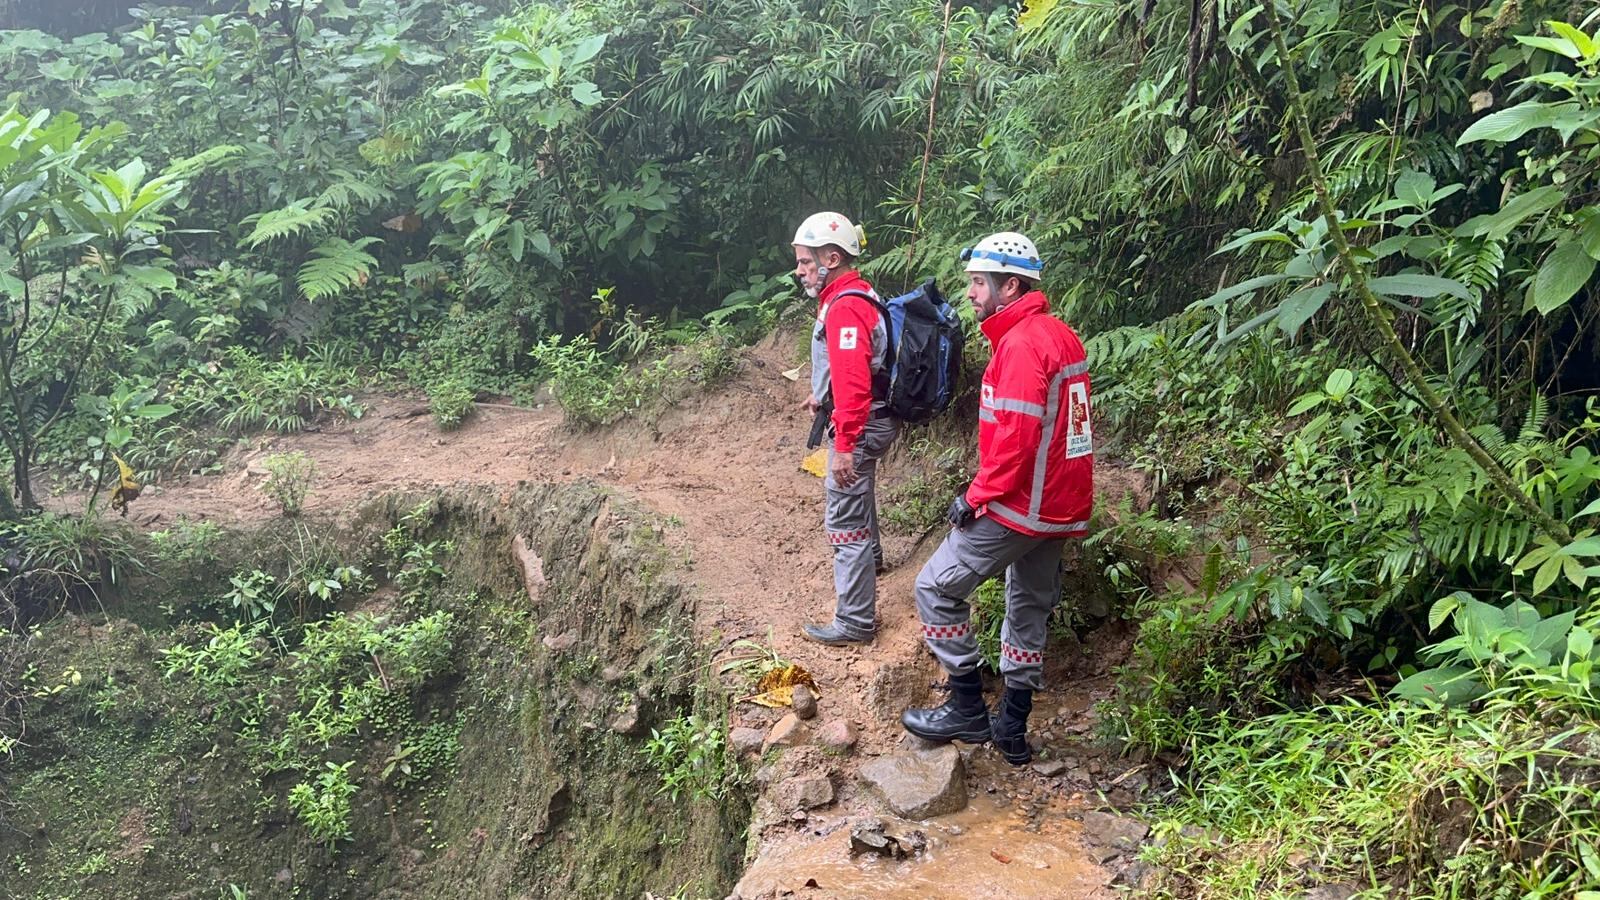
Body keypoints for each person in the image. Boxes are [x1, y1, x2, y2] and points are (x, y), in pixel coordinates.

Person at [900, 232, 1093, 765]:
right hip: (1060, 505)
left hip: (1022, 502)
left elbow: (1018, 439)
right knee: (1028, 607)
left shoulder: (1022, 345)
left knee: (935, 588)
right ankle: (1012, 724)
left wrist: (976, 495)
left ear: (1010, 286)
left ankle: (964, 704)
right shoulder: (1061, 336)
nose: (970, 293)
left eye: (978, 283)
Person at [793, 211, 899, 645]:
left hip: (863, 420)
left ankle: (855, 621)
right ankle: (872, 559)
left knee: (845, 520)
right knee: (861, 493)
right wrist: (824, 396)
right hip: (874, 413)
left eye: (804, 261)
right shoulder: (857, 293)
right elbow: (853, 370)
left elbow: (855, 383)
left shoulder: (846, 307)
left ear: (831, 257)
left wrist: (845, 446)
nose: (798, 270)